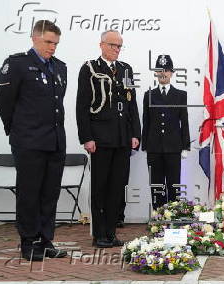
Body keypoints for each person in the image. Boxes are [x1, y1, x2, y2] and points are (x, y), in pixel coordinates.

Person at [0, 20, 68, 261]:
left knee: (50, 193)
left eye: (55, 43)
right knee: (29, 193)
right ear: (34, 38)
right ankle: (29, 242)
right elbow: (3, 101)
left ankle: (46, 240)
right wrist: (16, 129)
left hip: (55, 141)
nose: (52, 47)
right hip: (28, 142)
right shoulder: (17, 64)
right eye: (48, 42)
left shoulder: (60, 67)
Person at [76, 30, 141, 248]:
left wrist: (135, 134)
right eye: (113, 45)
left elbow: (132, 104)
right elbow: (82, 105)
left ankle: (111, 232)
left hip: (122, 138)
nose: (116, 49)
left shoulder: (125, 70)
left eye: (119, 46)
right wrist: (86, 137)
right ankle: (99, 233)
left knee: (117, 186)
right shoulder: (90, 68)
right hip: (100, 138)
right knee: (100, 187)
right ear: (101, 45)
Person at [142, 55, 190, 209]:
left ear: (171, 73)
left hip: (173, 148)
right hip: (154, 148)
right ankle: (158, 217)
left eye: (166, 70)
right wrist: (145, 145)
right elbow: (146, 121)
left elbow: (184, 121)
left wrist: (185, 146)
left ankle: (173, 216)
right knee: (156, 185)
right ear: (156, 73)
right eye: (159, 70)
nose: (163, 73)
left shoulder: (181, 95)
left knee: (173, 185)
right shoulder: (148, 95)